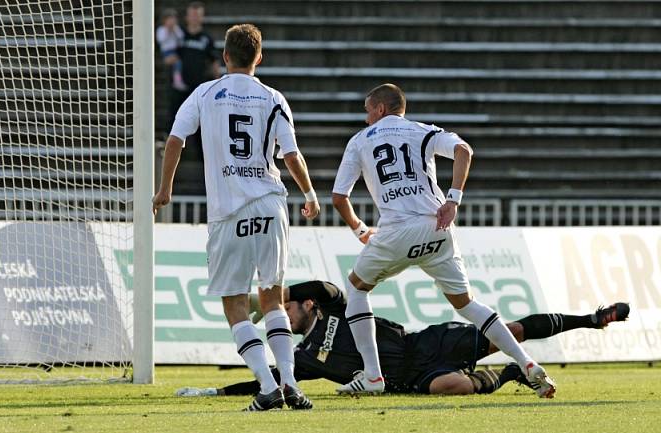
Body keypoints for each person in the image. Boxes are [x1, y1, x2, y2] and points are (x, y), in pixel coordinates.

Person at [331, 83, 556, 396]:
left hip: (396, 230)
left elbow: (339, 196)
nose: (366, 118)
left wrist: (360, 230)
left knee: (356, 288)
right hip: (437, 228)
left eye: (368, 111)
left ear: (380, 109)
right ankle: (527, 362)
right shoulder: (424, 131)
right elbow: (464, 150)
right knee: (466, 303)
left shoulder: (358, 141)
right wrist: (453, 200)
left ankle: (372, 376)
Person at [152, 24, 321, 411]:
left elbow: (175, 139)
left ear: (225, 57)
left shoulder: (205, 93)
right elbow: (291, 154)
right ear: (258, 58)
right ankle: (291, 384)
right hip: (270, 204)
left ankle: (267, 387)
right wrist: (309, 194)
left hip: (229, 213)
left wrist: (165, 189)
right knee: (274, 298)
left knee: (235, 304)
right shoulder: (273, 97)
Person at [175, 280, 630, 397]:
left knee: (507, 331)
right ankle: (509, 374)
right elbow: (270, 380)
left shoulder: (331, 304)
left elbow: (321, 287)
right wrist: (214, 388)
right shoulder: (304, 357)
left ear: (306, 306)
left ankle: (590, 319)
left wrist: (273, 295)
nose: (284, 313)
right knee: (448, 387)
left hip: (422, 345)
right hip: (411, 380)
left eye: (287, 308)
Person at [166, 1, 220, 134]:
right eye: (192, 15)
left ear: (202, 17)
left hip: (199, 89)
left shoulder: (206, 39)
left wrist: (218, 81)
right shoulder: (179, 36)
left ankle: (202, 155)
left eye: (198, 15)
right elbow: (168, 55)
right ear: (187, 17)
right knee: (175, 125)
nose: (195, 18)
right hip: (179, 88)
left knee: (200, 129)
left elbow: (214, 62)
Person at [156, 8, 187, 91]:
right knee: (177, 62)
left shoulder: (176, 28)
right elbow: (161, 40)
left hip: (175, 51)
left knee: (178, 63)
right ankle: (177, 81)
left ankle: (177, 80)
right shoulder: (161, 29)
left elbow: (181, 37)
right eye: (169, 19)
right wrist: (168, 30)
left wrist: (174, 30)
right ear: (164, 20)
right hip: (166, 52)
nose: (171, 21)